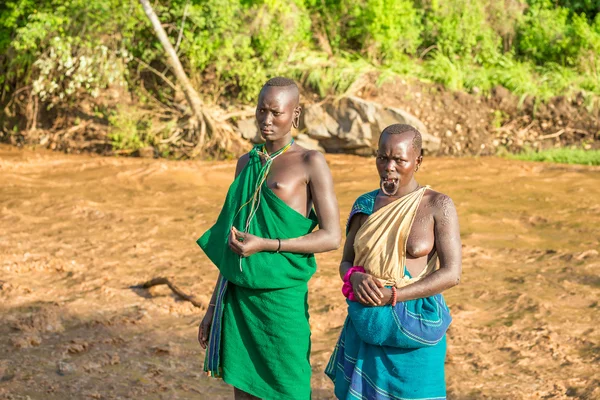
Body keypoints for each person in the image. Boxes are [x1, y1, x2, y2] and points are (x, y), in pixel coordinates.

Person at [197, 77, 341, 400]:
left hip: (283, 303)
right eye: (261, 111)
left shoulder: (310, 163)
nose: (266, 120)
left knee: (290, 388)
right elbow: (230, 245)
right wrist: (211, 308)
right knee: (244, 392)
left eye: (276, 112)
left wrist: (269, 245)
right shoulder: (246, 163)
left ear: (296, 115)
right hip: (240, 303)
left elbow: (332, 237)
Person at [325, 124, 462, 400]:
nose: (389, 167)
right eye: (382, 157)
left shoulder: (438, 205)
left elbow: (451, 274)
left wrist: (394, 296)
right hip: (369, 324)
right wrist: (354, 277)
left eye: (399, 160)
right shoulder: (365, 204)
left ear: (418, 161)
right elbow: (346, 262)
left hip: (416, 331)